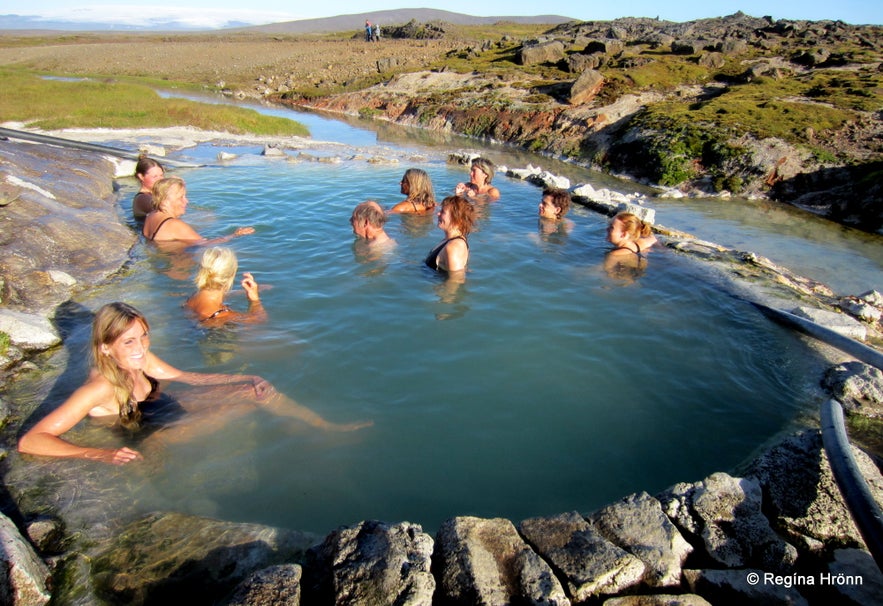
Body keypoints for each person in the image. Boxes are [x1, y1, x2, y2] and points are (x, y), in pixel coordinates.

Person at [17, 302, 370, 465]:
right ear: (106, 347)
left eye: (143, 337)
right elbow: (32, 441)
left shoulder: (140, 359)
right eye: (128, 342)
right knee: (250, 401)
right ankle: (317, 433)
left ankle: (320, 426)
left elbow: (188, 377)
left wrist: (247, 376)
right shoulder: (100, 388)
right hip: (155, 435)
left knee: (257, 390)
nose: (140, 348)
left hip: (164, 409)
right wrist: (99, 453)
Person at [142, 177, 255, 245]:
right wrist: (234, 235)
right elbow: (206, 244)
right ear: (165, 202)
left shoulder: (151, 215)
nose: (186, 201)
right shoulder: (174, 225)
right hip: (176, 267)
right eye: (181, 197)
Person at [185, 247, 266, 325]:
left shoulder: (194, 297)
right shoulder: (221, 316)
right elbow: (259, 319)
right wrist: (255, 300)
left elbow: (214, 297)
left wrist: (242, 292)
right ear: (231, 275)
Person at [425, 195, 475, 274]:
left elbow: (455, 281)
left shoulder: (454, 247)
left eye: (443, 212)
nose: (438, 214)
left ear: (457, 219)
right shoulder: (450, 240)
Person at [131, 155, 164, 220]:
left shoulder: (153, 195)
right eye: (155, 176)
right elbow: (165, 212)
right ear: (141, 176)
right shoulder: (143, 198)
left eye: (161, 175)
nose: (160, 179)